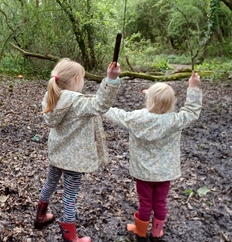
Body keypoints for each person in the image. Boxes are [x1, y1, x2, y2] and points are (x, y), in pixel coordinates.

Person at [103, 71, 202, 242]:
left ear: (149, 100)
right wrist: (193, 88)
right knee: (161, 202)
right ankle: (157, 232)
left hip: (143, 173)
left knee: (145, 202)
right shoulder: (175, 120)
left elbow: (115, 114)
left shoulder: (136, 118)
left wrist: (99, 104)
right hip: (165, 173)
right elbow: (192, 111)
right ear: (172, 103)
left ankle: (140, 231)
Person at [35, 58, 121, 242]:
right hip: (74, 160)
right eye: (82, 78)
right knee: (70, 196)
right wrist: (111, 80)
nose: (83, 82)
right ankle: (70, 235)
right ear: (75, 79)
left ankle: (39, 216)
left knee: (49, 184)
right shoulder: (78, 102)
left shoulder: (52, 96)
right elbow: (100, 104)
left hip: (57, 155)